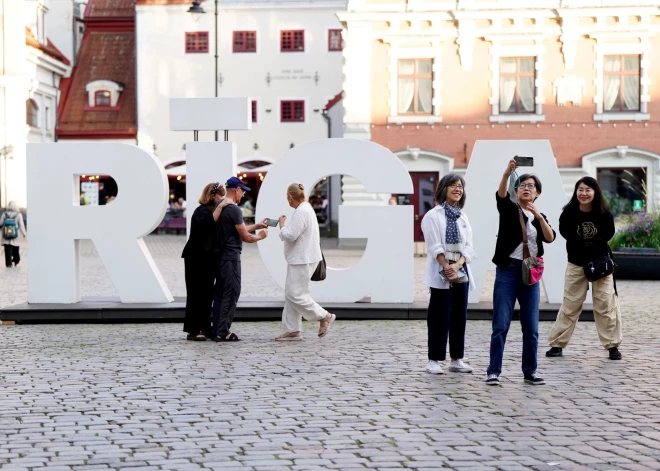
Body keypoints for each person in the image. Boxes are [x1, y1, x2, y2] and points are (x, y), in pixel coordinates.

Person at [486, 159, 556, 386]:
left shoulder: (539, 216)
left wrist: (538, 216)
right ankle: (493, 371)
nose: (526, 187)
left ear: (537, 193)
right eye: (523, 185)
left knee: (531, 327)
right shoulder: (508, 209)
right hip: (508, 271)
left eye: (531, 186)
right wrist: (507, 173)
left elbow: (550, 238)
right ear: (517, 190)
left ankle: (530, 371)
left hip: (531, 274)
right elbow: (501, 195)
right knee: (501, 325)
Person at [546, 177, 622, 360]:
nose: (584, 193)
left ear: (595, 192)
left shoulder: (604, 214)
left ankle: (612, 346)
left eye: (588, 190)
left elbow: (608, 234)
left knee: (605, 305)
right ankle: (557, 344)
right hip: (576, 264)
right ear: (576, 192)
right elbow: (566, 234)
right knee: (570, 304)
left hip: (600, 265)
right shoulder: (569, 213)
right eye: (580, 189)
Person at [421, 175, 476, 374]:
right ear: (443, 189)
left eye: (460, 186)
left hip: (461, 272)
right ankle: (434, 359)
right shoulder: (432, 216)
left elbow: (469, 246)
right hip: (441, 272)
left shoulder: (463, 216)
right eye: (453, 185)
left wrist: (459, 264)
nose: (457, 189)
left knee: (459, 316)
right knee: (439, 316)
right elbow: (434, 245)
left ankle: (456, 359)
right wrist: (446, 266)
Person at [275, 183, 336, 341]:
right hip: (303, 257)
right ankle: (293, 329)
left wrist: (281, 227)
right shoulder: (306, 209)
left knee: (295, 294)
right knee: (292, 294)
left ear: (290, 197)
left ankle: (324, 316)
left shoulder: (301, 211)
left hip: (302, 258)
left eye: (287, 198)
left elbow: (290, 235)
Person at [211, 177, 268, 342]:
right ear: (236, 190)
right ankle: (223, 332)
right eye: (242, 191)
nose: (243, 195)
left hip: (220, 258)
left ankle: (216, 329)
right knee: (232, 292)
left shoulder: (220, 206)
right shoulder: (235, 210)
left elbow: (234, 229)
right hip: (231, 257)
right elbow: (246, 237)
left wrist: (256, 226)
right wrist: (260, 236)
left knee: (220, 294)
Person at [181, 183, 233, 341]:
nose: (222, 199)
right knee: (196, 293)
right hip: (196, 258)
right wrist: (221, 207)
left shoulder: (212, 210)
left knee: (207, 293)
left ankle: (204, 327)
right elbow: (208, 224)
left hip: (208, 258)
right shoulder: (201, 211)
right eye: (220, 196)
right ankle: (194, 329)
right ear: (212, 196)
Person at [0, 202, 27, 268]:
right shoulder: (19, 215)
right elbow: (21, 225)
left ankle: (9, 264)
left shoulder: (4, 214)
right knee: (16, 249)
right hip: (15, 236)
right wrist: (24, 234)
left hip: (6, 236)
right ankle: (16, 260)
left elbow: (1, 223)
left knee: (7, 250)